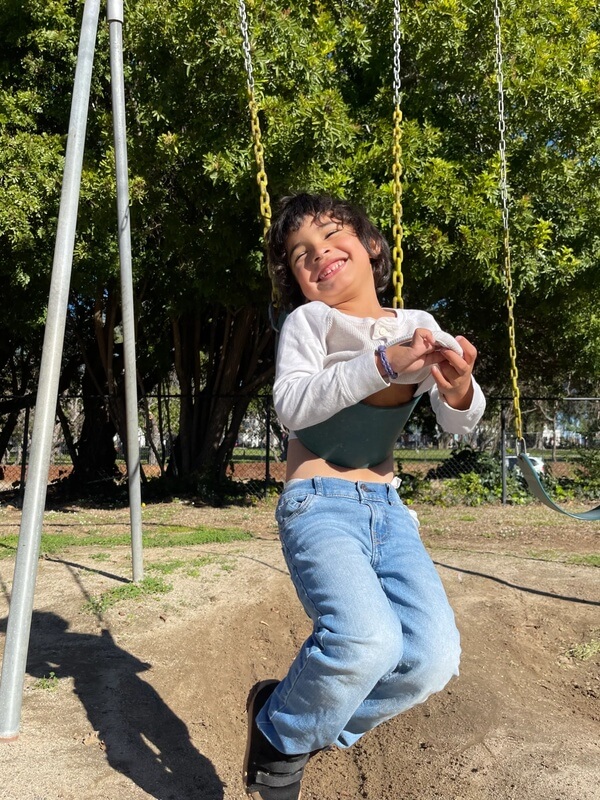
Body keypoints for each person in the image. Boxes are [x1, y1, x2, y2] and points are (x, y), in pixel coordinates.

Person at [243, 193, 486, 800]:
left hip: (390, 511)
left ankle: (289, 719)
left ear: (371, 246)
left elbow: (459, 423)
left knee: (431, 659)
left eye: (331, 237)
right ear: (296, 280)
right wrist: (382, 362)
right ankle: (283, 736)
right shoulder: (310, 323)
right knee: (365, 638)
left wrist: (458, 389)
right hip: (318, 502)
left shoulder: (418, 324)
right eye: (301, 254)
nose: (317, 254)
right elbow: (293, 404)